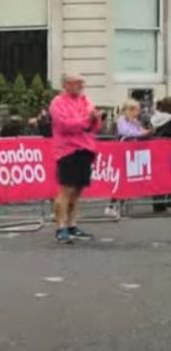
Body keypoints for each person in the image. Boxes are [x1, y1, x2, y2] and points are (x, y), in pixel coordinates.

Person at [48, 73, 102, 244]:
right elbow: (65, 125)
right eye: (76, 82)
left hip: (85, 148)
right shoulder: (58, 103)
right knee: (66, 190)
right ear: (66, 84)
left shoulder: (85, 101)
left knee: (78, 190)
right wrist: (87, 119)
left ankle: (72, 224)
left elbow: (95, 127)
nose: (80, 86)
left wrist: (95, 119)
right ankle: (60, 227)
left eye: (81, 83)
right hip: (67, 150)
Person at [105, 100, 151, 217]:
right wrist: (141, 133)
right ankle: (111, 206)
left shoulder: (135, 121)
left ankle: (121, 205)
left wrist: (146, 131)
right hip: (121, 152)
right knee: (122, 179)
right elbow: (126, 132)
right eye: (136, 110)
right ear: (129, 110)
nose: (138, 112)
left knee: (128, 179)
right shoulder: (121, 120)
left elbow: (139, 131)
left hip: (132, 152)